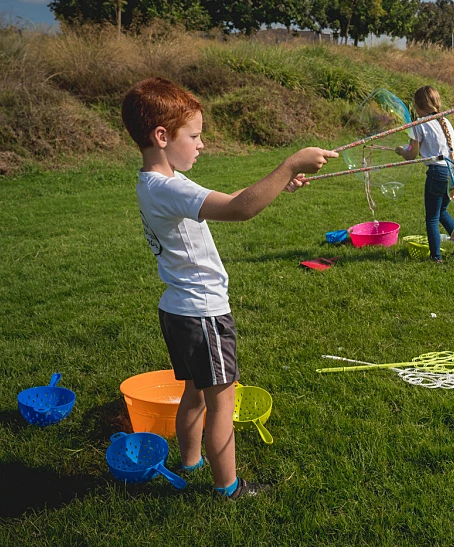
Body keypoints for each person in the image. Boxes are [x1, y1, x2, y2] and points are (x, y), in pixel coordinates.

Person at [121, 77, 336, 500]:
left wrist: (279, 185)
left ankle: (191, 461)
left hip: (178, 310)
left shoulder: (153, 184)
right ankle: (228, 489)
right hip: (203, 313)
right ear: (162, 137)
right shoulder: (171, 187)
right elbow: (239, 209)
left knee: (194, 393)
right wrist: (290, 164)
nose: (201, 144)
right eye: (195, 135)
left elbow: (226, 200)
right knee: (222, 402)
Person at [395, 86, 454, 263]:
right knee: (442, 211)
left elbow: (411, 154)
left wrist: (400, 150)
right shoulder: (445, 121)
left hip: (438, 172)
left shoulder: (419, 124)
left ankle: (436, 257)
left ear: (417, 106)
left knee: (432, 217)